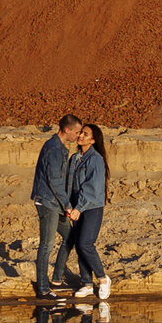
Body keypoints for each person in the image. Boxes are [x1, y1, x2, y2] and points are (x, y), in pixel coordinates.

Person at [50, 119, 112, 301]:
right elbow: (70, 185)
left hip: (91, 207)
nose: (81, 135)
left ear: (93, 141)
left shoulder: (96, 160)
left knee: (86, 243)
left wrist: (79, 207)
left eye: (85, 134)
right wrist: (68, 206)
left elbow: (91, 188)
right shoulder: (75, 158)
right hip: (76, 207)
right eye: (81, 132)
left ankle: (102, 279)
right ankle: (86, 283)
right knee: (78, 243)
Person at [28, 113, 87, 299]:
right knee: (47, 244)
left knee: (70, 238)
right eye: (76, 132)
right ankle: (43, 289)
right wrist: (68, 206)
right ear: (67, 130)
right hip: (48, 202)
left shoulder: (58, 147)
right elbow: (54, 181)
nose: (78, 136)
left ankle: (56, 279)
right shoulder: (53, 149)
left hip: (57, 203)